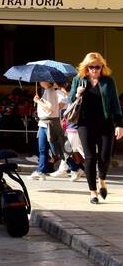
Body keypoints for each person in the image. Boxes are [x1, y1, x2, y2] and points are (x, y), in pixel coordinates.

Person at [67, 53, 121, 205]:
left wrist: (119, 124)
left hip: (105, 124)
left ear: (102, 67)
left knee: (105, 157)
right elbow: (70, 100)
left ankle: (102, 179)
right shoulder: (79, 80)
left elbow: (115, 104)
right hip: (85, 124)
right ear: (86, 67)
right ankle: (93, 192)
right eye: (91, 67)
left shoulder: (108, 81)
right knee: (90, 158)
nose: (94, 70)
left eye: (97, 67)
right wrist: (77, 93)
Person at [32, 79, 68, 180]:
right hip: (44, 123)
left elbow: (50, 108)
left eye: (42, 80)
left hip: (49, 123)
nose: (40, 81)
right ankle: (41, 171)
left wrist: (38, 101)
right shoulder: (48, 91)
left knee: (57, 149)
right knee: (43, 149)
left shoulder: (51, 91)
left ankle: (75, 167)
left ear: (47, 82)